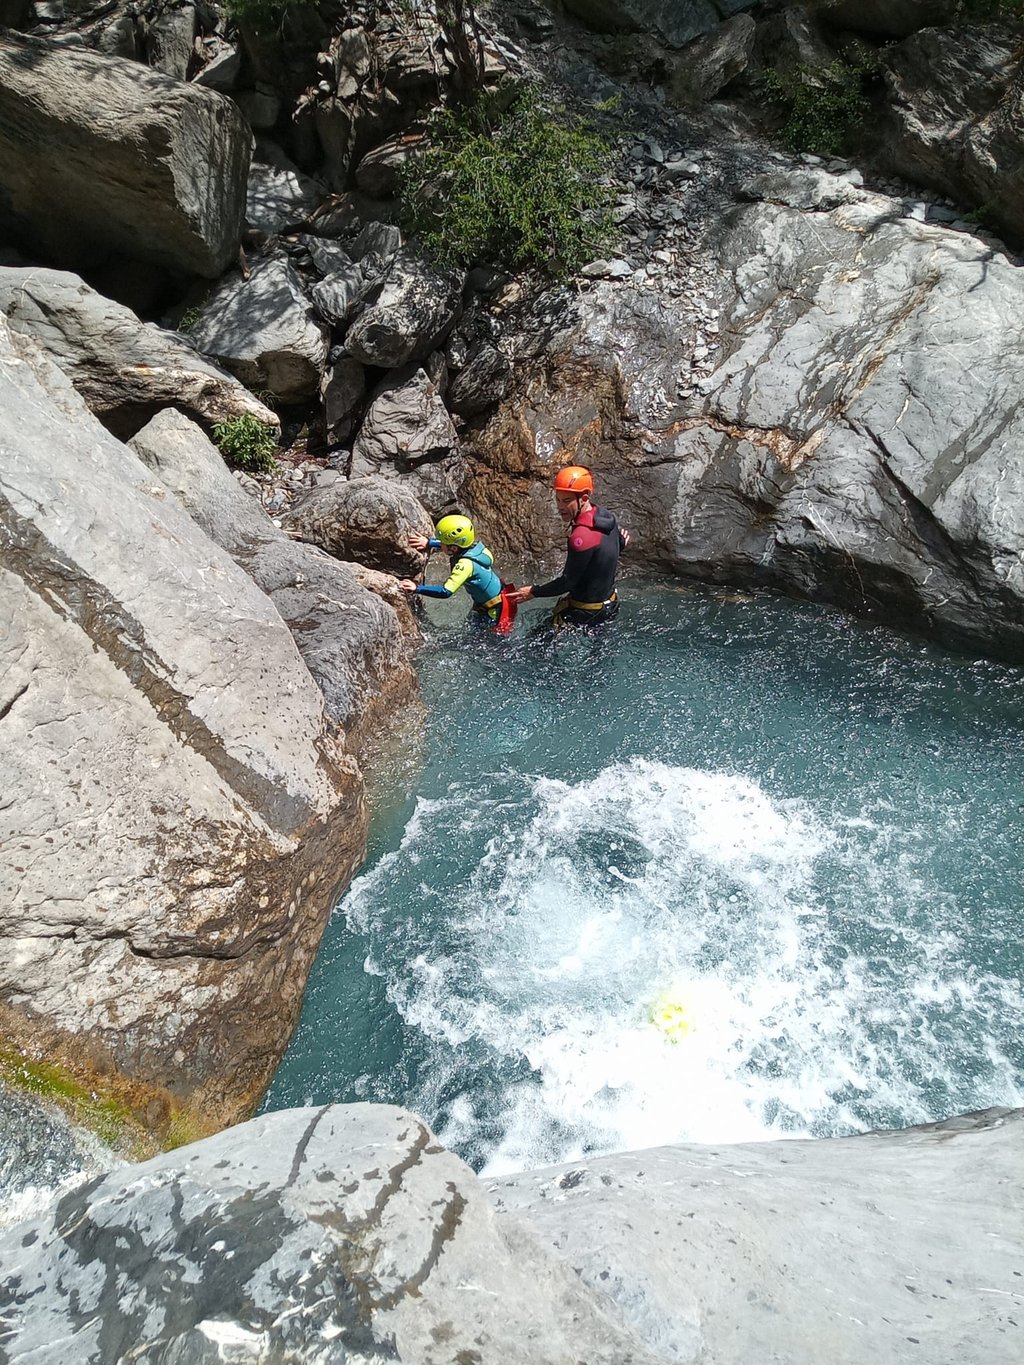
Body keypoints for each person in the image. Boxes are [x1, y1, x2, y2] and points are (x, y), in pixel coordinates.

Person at [507, 466, 629, 627]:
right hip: (611, 606)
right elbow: (611, 549)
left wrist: (533, 592)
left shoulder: (581, 537)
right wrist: (620, 544)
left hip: (587, 613)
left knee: (535, 643)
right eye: (558, 499)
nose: (560, 507)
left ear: (584, 498)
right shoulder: (607, 518)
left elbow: (567, 582)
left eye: (566, 501)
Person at [399, 514, 517, 633]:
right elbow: (453, 545)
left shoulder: (466, 565)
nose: (440, 544)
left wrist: (416, 588)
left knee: (479, 641)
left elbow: (446, 592)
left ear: (454, 548)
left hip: (493, 612)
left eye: (442, 543)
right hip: (500, 599)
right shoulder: (477, 548)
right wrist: (429, 543)